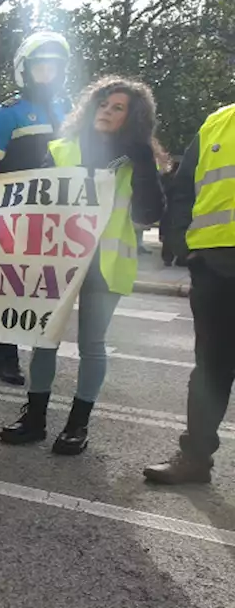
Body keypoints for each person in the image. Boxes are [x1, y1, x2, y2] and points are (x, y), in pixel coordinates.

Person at [0, 77, 163, 454]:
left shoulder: (137, 159)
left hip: (105, 265)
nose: (106, 111)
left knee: (92, 345)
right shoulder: (61, 148)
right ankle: (34, 417)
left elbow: (150, 213)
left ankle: (77, 425)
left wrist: (142, 164)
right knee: (45, 338)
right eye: (103, 103)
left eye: (118, 107)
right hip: (58, 259)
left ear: (133, 118)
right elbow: (36, 199)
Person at [144, 102, 235, 485]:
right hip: (215, 264)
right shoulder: (217, 121)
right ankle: (195, 458)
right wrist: (182, 242)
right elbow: (183, 188)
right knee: (210, 369)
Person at [0, 32, 73, 385]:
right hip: (12, 217)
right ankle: (4, 354)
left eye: (54, 66)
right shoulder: (7, 115)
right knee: (6, 287)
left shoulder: (71, 110)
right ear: (25, 70)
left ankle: (37, 348)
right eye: (41, 66)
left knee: (40, 288)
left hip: (56, 219)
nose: (48, 72)